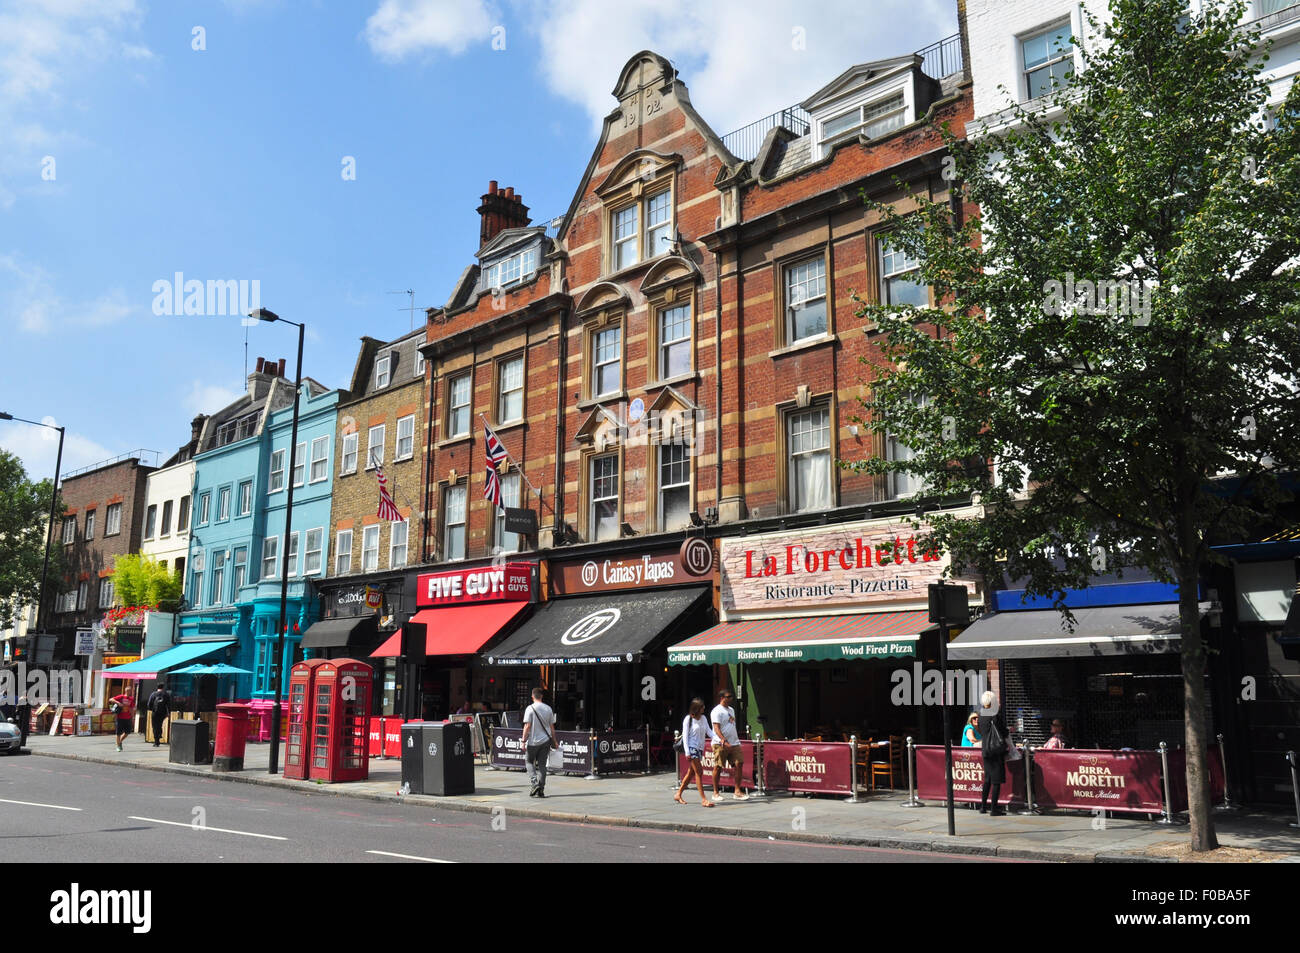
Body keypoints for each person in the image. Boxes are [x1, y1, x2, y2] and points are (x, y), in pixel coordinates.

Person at [674, 698, 715, 808]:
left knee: (691, 773)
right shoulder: (688, 719)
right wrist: (687, 752)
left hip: (699, 749)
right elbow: (685, 737)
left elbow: (709, 732)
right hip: (692, 748)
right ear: (697, 708)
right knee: (699, 772)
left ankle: (678, 794)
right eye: (702, 706)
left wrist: (720, 740)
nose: (704, 708)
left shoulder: (704, 718)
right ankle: (703, 799)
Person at [710, 689, 748, 801]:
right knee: (718, 766)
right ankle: (715, 792)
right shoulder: (716, 711)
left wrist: (732, 741)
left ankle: (737, 791)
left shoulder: (731, 710)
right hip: (720, 743)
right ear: (722, 698)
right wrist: (723, 741)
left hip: (734, 742)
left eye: (731, 696)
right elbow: (716, 728)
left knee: (739, 764)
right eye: (728, 696)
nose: (731, 698)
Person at [520, 687, 556, 798]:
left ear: (532, 696)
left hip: (533, 741)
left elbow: (527, 726)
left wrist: (523, 741)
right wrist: (554, 741)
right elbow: (552, 727)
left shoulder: (529, 708)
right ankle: (541, 789)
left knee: (529, 761)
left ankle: (534, 783)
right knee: (542, 765)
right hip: (545, 741)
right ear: (542, 696)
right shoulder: (548, 709)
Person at [977, 690, 1008, 816]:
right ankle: (994, 808)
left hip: (985, 750)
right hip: (995, 750)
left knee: (987, 779)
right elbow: (1003, 732)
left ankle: (983, 806)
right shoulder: (995, 715)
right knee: (996, 781)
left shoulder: (981, 715)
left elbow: (981, 731)